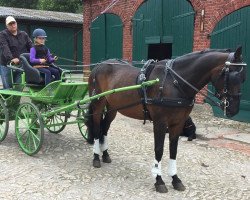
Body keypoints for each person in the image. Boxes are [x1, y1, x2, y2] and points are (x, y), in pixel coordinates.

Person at [0, 16, 33, 89]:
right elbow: (4, 47)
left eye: (14, 23)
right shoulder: (2, 34)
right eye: (10, 24)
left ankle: (15, 101)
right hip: (7, 65)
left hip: (21, 65)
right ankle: (6, 100)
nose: (13, 25)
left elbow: (31, 47)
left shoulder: (24, 34)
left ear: (16, 23)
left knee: (19, 87)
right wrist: (11, 58)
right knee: (8, 88)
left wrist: (37, 55)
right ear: (7, 26)